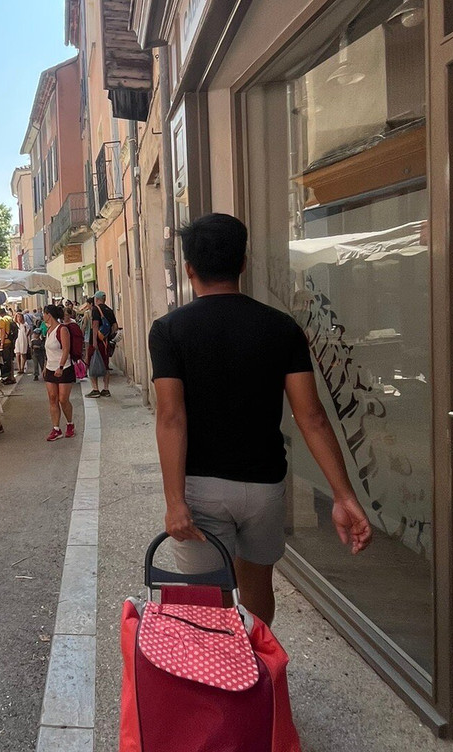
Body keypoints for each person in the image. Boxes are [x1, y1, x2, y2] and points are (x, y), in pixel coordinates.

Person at [149, 213, 372, 626]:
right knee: (257, 590)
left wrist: (175, 501)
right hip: (265, 487)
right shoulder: (282, 328)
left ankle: (221, 684)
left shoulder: (168, 330)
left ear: (188, 268)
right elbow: (313, 418)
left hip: (201, 487)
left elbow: (170, 417)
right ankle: (257, 671)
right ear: (243, 263)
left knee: (206, 601)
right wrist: (344, 495)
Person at [42, 304, 76, 441]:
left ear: (48, 314)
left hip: (64, 368)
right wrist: (45, 366)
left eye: (44, 313)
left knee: (63, 399)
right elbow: (48, 351)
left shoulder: (62, 329)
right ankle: (56, 428)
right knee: (52, 398)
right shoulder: (49, 330)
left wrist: (61, 367)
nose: (43, 316)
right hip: (50, 367)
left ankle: (70, 423)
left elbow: (66, 349)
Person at [88, 290, 118, 397]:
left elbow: (95, 326)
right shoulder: (109, 310)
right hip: (105, 342)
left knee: (92, 363)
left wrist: (95, 341)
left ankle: (95, 389)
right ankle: (106, 389)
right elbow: (115, 327)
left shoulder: (96, 309)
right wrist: (108, 336)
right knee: (105, 365)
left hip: (97, 342)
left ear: (96, 299)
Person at [0, 308, 17, 384]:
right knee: (10, 360)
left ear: (0, 314)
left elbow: (3, 332)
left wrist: (1, 344)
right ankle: (12, 376)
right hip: (11, 340)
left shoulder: (2, 320)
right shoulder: (10, 318)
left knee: (6, 361)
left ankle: (8, 377)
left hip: (6, 342)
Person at [14, 310, 31, 376]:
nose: (19, 318)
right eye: (18, 317)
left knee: (23, 353)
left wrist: (26, 336)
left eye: (20, 317)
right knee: (17, 353)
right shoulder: (16, 324)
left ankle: (22, 368)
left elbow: (29, 330)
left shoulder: (25, 324)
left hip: (23, 339)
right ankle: (19, 368)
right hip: (17, 340)